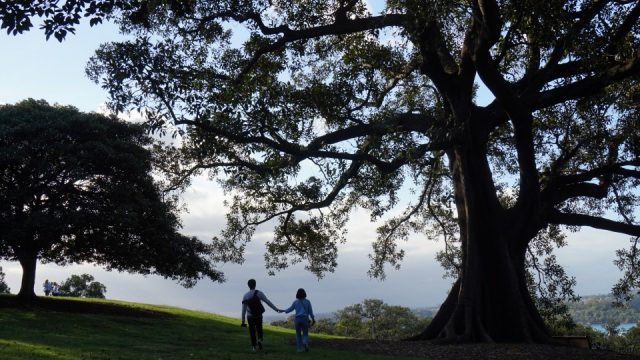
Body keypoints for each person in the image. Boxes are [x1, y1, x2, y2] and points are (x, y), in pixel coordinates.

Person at [241, 279, 282, 353]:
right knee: (259, 329)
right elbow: (267, 301)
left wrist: (243, 320)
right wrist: (276, 309)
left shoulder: (245, 295)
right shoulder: (259, 293)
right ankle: (259, 339)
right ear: (255, 285)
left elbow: (243, 309)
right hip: (259, 315)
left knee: (252, 331)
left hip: (250, 316)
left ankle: (254, 347)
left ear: (248, 285)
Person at [284, 288, 315, 353]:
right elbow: (310, 311)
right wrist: (313, 318)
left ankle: (299, 349)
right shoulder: (307, 301)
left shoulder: (296, 302)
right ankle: (305, 342)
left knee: (298, 334)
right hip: (305, 319)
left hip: (297, 319)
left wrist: (284, 311)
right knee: (305, 333)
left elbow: (290, 309)